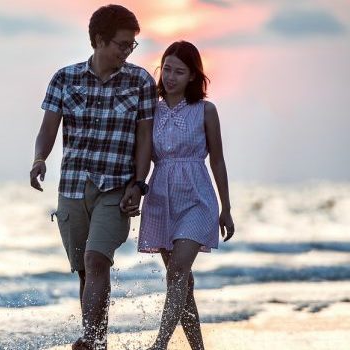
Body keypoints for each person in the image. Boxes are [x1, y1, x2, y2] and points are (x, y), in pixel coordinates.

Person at [29, 4, 157, 349]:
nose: (128, 50)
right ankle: (98, 342)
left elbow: (145, 137)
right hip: (72, 187)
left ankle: (92, 339)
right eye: (122, 44)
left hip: (116, 188)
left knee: (97, 258)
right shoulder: (64, 78)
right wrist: (40, 158)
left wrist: (139, 183)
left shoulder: (141, 81)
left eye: (132, 44)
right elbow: (48, 129)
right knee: (86, 270)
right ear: (99, 41)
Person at [137, 40, 235, 350]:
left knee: (178, 270)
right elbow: (138, 154)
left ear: (193, 76)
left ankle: (160, 344)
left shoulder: (206, 110)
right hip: (160, 198)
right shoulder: (149, 109)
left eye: (179, 71)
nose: (170, 76)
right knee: (182, 282)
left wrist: (226, 208)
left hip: (197, 198)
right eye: (166, 68)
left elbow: (217, 160)